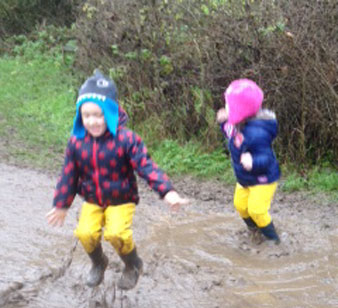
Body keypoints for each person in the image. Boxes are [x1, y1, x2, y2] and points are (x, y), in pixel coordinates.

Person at [47, 69, 188, 290]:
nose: (92, 121)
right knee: (85, 232)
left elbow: (146, 166)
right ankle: (98, 262)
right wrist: (61, 205)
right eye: (86, 115)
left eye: (99, 115)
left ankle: (132, 264)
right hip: (93, 200)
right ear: (79, 116)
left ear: (111, 112)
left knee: (116, 233)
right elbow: (68, 175)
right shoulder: (76, 142)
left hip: (122, 199)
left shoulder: (126, 139)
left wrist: (167, 192)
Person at [216, 78, 281, 244]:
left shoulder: (257, 133)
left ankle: (273, 241)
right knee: (240, 206)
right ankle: (255, 231)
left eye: (229, 105)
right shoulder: (238, 124)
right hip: (245, 177)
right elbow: (230, 133)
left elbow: (266, 158)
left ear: (240, 110)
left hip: (263, 179)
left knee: (257, 210)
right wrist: (223, 122)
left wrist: (253, 161)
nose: (226, 108)